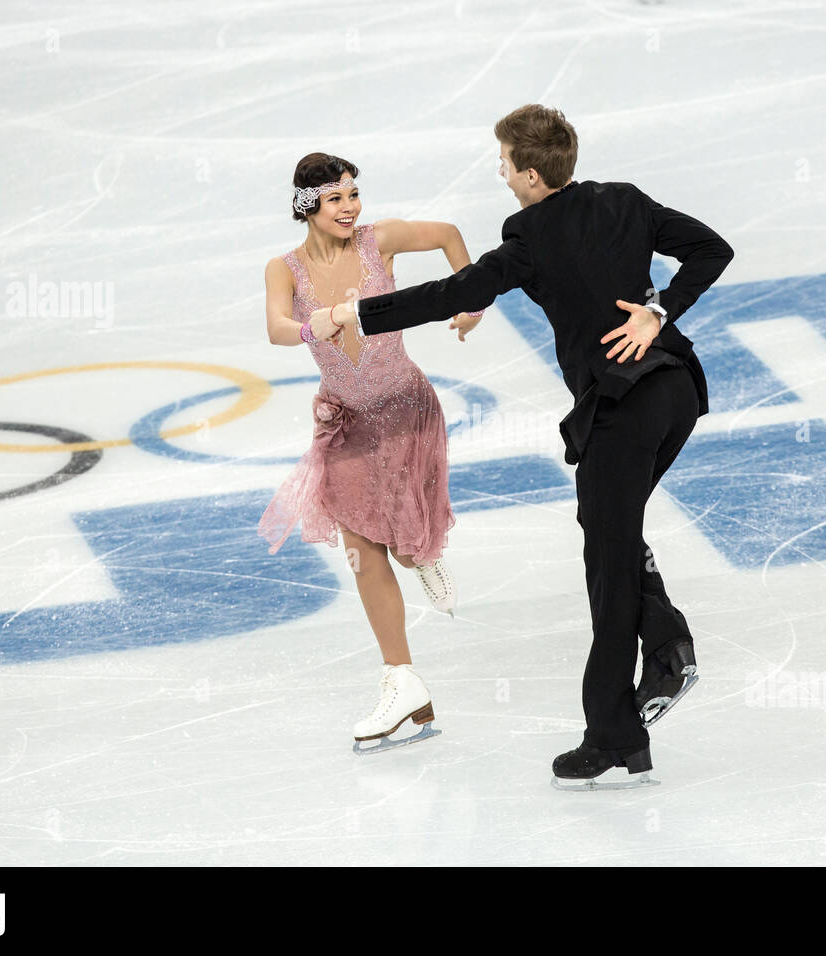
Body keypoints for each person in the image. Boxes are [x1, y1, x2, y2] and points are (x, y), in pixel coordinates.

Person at [315, 106, 734, 786]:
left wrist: (354, 312)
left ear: (531, 175)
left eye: (504, 162)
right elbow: (713, 248)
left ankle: (619, 722)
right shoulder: (624, 201)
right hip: (678, 390)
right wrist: (660, 312)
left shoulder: (529, 235)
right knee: (611, 536)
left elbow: (453, 291)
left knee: (608, 563)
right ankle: (661, 650)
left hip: (623, 409)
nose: (500, 172)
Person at [258, 152, 485, 754]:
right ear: (310, 207)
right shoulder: (284, 269)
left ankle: (423, 553)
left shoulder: (377, 243)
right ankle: (401, 680)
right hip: (347, 423)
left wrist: (473, 302)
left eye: (354, 194)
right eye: (336, 199)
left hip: (407, 411)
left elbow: (449, 237)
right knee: (359, 547)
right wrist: (315, 328)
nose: (350, 207)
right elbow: (278, 327)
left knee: (405, 545)